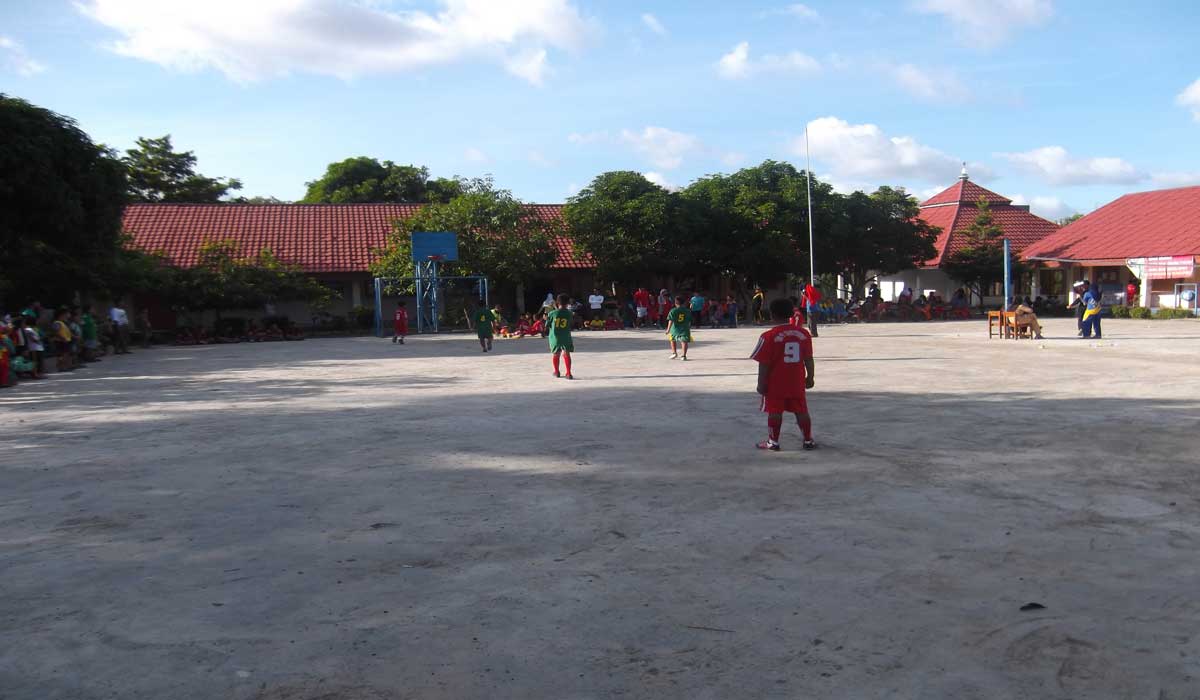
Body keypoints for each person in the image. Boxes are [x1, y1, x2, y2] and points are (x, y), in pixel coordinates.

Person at [751, 297, 816, 452]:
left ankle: (773, 442)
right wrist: (810, 377)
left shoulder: (768, 336)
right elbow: (808, 358)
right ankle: (808, 440)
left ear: (772, 315)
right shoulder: (803, 334)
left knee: (774, 411)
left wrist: (761, 383)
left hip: (775, 383)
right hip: (796, 381)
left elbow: (764, 363)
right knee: (801, 410)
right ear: (790, 314)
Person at [546, 293, 575, 379]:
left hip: (555, 337)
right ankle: (569, 373)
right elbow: (570, 322)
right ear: (568, 303)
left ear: (557, 302)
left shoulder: (552, 313)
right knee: (567, 353)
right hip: (566, 336)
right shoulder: (570, 313)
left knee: (556, 353)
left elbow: (547, 325)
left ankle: (557, 371)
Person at [666, 295, 692, 360]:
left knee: (672, 340)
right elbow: (689, 321)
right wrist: (688, 327)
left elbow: (670, 320)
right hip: (684, 328)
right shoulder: (687, 311)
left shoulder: (673, 310)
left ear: (675, 303)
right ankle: (683, 355)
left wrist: (668, 329)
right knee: (684, 341)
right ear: (683, 303)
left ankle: (674, 353)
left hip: (675, 329)